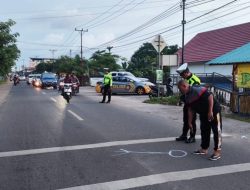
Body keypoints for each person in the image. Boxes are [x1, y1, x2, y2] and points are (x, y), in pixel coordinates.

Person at [177, 80, 222, 160]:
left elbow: (210, 97)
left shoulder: (196, 89)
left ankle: (217, 152)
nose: (180, 91)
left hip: (213, 111)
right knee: (204, 130)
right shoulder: (186, 96)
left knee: (216, 131)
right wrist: (190, 122)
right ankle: (204, 149)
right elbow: (190, 109)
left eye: (180, 89)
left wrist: (210, 111)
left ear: (184, 86)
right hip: (203, 113)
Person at [176, 63, 201, 143]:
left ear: (186, 73)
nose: (182, 77)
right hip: (187, 103)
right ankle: (184, 135)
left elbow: (194, 94)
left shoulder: (195, 80)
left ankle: (192, 136)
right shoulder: (186, 79)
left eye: (183, 75)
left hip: (193, 103)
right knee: (185, 120)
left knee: (192, 120)